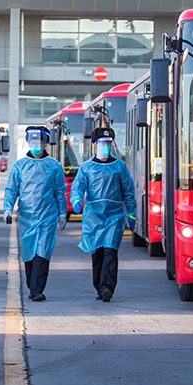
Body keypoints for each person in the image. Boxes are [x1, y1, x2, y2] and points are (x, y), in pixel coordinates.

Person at [70, 126, 137, 302]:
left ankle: (108, 287)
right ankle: (99, 286)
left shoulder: (120, 167)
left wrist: (131, 213)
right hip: (94, 218)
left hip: (114, 217)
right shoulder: (86, 168)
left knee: (110, 251)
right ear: (94, 145)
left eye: (109, 143)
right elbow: (77, 187)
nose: (106, 146)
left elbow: (128, 191)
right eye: (102, 143)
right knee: (98, 254)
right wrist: (76, 200)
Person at [3, 126, 67, 302]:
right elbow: (11, 190)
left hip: (48, 217)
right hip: (26, 218)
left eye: (38, 142)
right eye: (31, 142)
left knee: (43, 252)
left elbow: (60, 192)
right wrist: (8, 208)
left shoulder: (54, 166)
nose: (35, 145)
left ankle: (38, 289)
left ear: (45, 144)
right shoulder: (20, 166)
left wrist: (63, 213)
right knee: (30, 254)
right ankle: (33, 287)